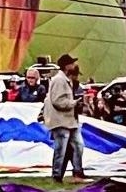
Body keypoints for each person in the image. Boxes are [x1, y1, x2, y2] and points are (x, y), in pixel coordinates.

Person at [44, 53, 89, 184]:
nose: (74, 65)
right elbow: (58, 101)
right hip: (61, 121)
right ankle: (57, 175)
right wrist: (74, 103)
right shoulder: (59, 80)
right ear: (66, 66)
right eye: (72, 63)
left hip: (69, 121)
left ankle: (78, 172)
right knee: (60, 149)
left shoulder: (64, 79)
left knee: (78, 145)